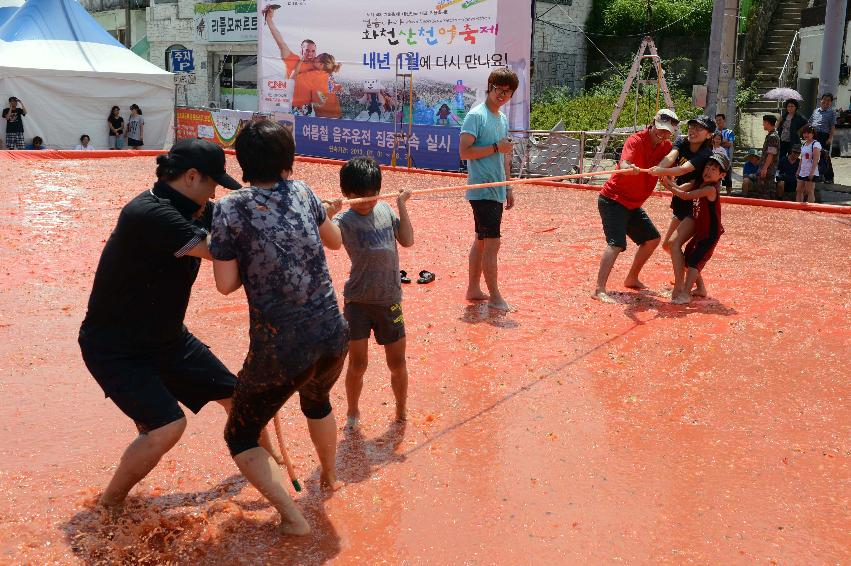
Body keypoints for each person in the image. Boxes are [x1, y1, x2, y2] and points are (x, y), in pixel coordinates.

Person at [77, 140, 284, 511]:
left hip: (167, 338)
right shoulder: (148, 214)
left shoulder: (197, 207)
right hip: (115, 347)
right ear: (191, 177)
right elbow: (216, 248)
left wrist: (293, 210)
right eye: (213, 184)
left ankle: (273, 472)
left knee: (239, 399)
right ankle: (109, 504)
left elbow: (241, 216)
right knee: (167, 426)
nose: (216, 193)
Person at [209, 120, 349, 535]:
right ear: (288, 159)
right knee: (317, 399)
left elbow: (225, 285)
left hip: (281, 348)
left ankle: (293, 518)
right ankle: (329, 476)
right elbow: (336, 241)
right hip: (331, 332)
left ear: (242, 161)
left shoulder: (230, 208)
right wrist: (323, 214)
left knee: (240, 434)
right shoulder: (305, 191)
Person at [332, 158, 414, 431]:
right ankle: (352, 412)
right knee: (358, 364)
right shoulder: (344, 220)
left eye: (371, 194)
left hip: (390, 299)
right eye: (357, 196)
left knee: (397, 362)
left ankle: (401, 410)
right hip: (358, 302)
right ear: (347, 194)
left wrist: (402, 204)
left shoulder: (386, 210)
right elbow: (326, 241)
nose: (366, 201)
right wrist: (326, 215)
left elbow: (407, 240)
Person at [592, 109, 677, 303]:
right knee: (616, 244)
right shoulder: (636, 140)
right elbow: (624, 163)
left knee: (652, 239)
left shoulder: (666, 147)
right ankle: (599, 289)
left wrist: (676, 188)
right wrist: (628, 168)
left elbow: (666, 174)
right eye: (660, 129)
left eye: (666, 132)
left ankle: (631, 278)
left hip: (633, 204)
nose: (662, 134)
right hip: (613, 200)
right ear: (653, 123)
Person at [459, 67, 518, 312]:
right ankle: (494, 296)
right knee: (492, 243)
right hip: (482, 189)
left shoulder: (502, 118)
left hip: (496, 189)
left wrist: (509, 186)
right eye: (498, 89)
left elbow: (504, 156)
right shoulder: (476, 115)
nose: (502, 95)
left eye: (508, 91)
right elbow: (464, 152)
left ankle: (474, 288)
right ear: (490, 87)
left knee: (482, 241)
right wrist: (495, 147)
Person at [662, 153, 728, 305]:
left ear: (722, 175)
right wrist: (668, 179)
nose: (708, 171)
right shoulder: (700, 182)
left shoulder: (711, 189)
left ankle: (685, 293)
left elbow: (685, 195)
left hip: (709, 233)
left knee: (693, 263)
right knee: (688, 259)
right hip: (701, 228)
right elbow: (680, 189)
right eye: (707, 167)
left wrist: (667, 184)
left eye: (714, 169)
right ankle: (700, 289)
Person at [648, 114, 715, 253]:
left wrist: (662, 172)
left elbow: (684, 170)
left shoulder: (706, 153)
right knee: (667, 246)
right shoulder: (681, 141)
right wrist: (659, 168)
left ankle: (688, 275)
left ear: (709, 135)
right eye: (692, 126)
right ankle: (691, 275)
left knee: (674, 244)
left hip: (697, 205)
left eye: (699, 128)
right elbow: (670, 157)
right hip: (681, 200)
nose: (693, 130)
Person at [264, 5, 318, 113]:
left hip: (309, 108)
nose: (310, 54)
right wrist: (269, 19)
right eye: (307, 50)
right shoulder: (292, 58)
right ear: (301, 50)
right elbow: (280, 40)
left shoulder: (317, 64)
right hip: (291, 106)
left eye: (313, 51)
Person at [299, 53, 343, 119]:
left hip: (326, 115)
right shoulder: (328, 76)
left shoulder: (318, 77)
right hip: (334, 114)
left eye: (315, 60)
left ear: (321, 65)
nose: (313, 61)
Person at [808, 93, 836, 184]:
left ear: (831, 102)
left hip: (824, 136)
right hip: (814, 136)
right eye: (825, 99)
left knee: (825, 156)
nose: (826, 102)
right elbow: (810, 123)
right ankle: (817, 176)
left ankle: (829, 177)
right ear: (821, 100)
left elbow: (832, 126)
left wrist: (830, 138)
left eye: (828, 100)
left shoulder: (832, 112)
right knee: (813, 156)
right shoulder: (816, 111)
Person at [796, 125, 821, 203]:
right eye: (804, 133)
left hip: (810, 170)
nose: (806, 135)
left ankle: (810, 209)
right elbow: (802, 159)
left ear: (812, 134)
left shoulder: (816, 144)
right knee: (799, 190)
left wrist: (812, 172)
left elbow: (816, 159)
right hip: (803, 170)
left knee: (809, 190)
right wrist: (798, 170)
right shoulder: (804, 144)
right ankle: (798, 207)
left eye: (808, 133)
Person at [714, 113, 735, 195]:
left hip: (726, 159)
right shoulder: (714, 132)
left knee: (728, 178)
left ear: (724, 120)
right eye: (717, 120)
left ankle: (729, 195)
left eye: (720, 120)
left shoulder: (730, 132)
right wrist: (724, 141)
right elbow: (712, 143)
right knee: (715, 178)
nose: (718, 122)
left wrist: (718, 142)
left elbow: (730, 144)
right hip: (715, 159)